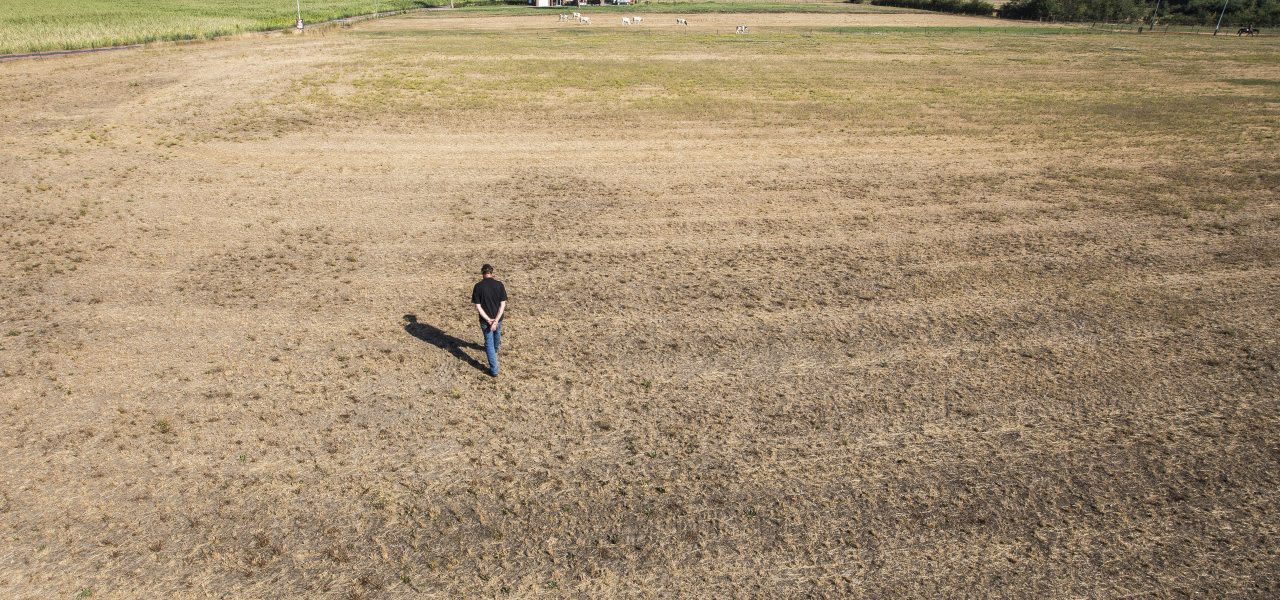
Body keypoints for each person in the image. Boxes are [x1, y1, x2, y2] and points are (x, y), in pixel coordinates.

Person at [470, 264, 507, 377]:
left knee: (488, 343)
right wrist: (495, 321)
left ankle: (494, 370)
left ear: (482, 273)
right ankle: (495, 350)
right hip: (498, 319)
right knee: (497, 333)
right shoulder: (499, 285)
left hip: (485, 321)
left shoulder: (478, 286)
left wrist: (489, 320)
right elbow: (502, 305)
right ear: (492, 273)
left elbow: (478, 306)